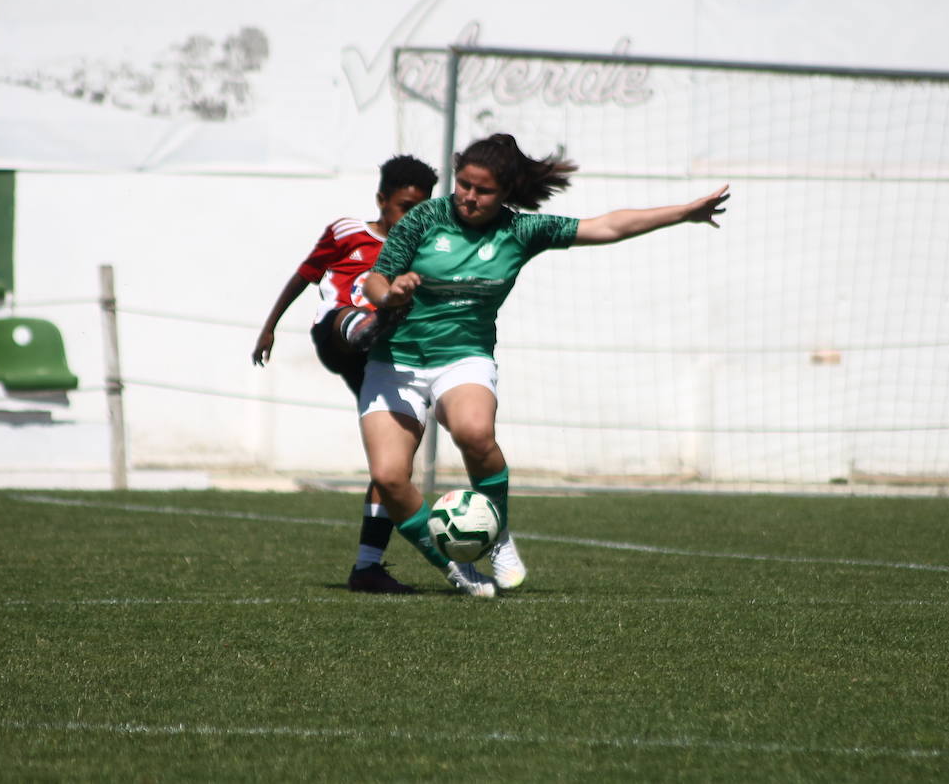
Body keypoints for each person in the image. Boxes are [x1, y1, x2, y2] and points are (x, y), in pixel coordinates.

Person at [359, 133, 729, 597]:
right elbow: (376, 280)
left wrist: (682, 213)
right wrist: (391, 294)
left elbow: (607, 226)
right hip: (396, 359)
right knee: (390, 478)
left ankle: (498, 539)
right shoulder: (425, 218)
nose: (469, 197)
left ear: (507, 191)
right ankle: (456, 568)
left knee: (474, 432)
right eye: (464, 185)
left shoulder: (521, 231)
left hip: (463, 356)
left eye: (484, 190)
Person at [252, 154, 438, 594]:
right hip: (337, 333)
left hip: (386, 359)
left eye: (421, 209)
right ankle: (370, 325)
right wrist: (270, 326)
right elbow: (305, 274)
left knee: (392, 467)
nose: (412, 217)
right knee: (354, 315)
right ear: (382, 200)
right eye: (404, 207)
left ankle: (368, 567)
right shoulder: (346, 231)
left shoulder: (428, 249)